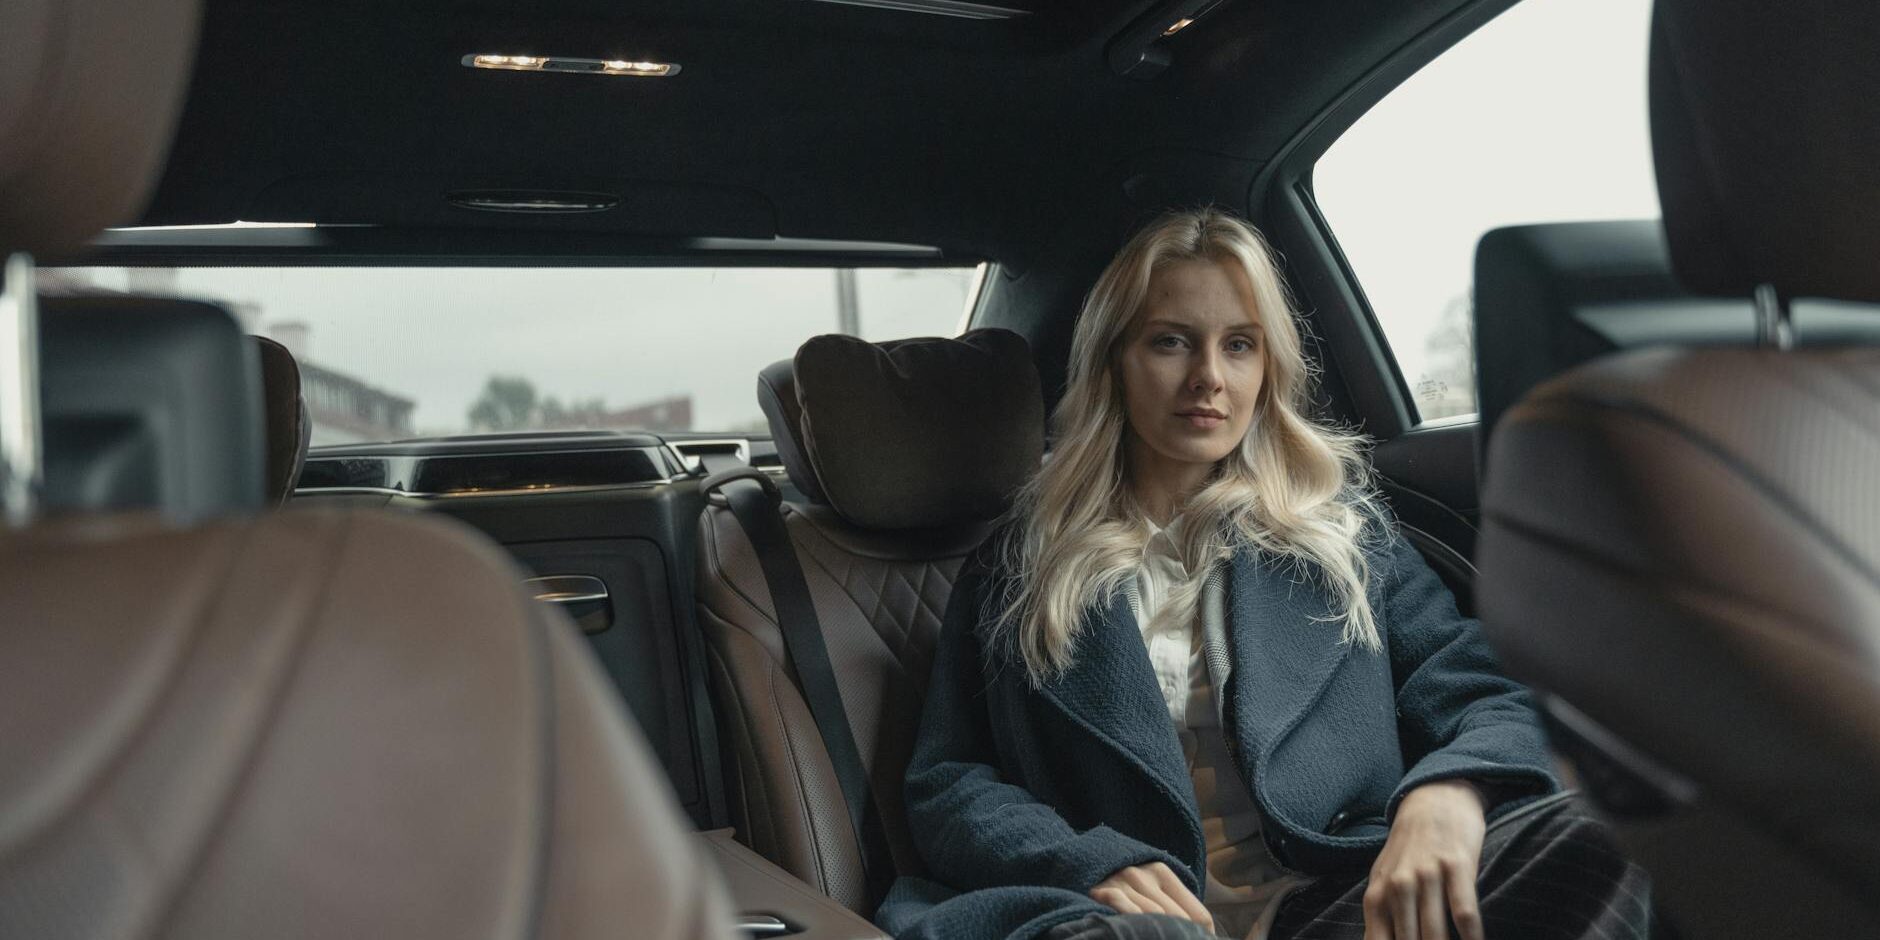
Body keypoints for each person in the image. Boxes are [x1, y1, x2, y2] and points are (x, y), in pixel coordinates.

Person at [872, 208, 1656, 940]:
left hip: (1333, 898)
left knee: (1606, 833)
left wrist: (1451, 791)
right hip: (1127, 920)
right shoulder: (1021, 562)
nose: (1209, 376)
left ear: (1266, 368)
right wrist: (1085, 863)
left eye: (1239, 344)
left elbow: (1486, 689)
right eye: (1171, 341)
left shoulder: (1344, 535)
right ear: (1114, 361)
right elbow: (950, 781)